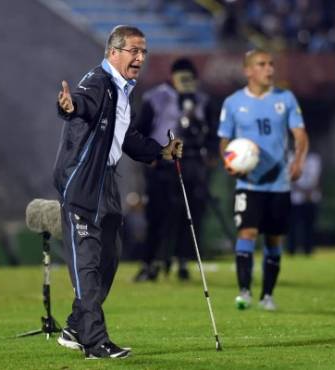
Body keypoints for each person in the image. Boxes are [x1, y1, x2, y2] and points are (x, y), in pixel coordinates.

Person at [53, 25, 183, 359]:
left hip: (107, 182)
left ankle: (74, 326)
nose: (140, 57)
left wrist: (162, 152)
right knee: (87, 264)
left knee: (109, 259)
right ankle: (95, 342)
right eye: (134, 51)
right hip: (82, 181)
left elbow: (127, 138)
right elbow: (81, 103)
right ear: (114, 52)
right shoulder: (98, 82)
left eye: (143, 52)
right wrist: (69, 106)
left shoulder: (124, 89)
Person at [218, 49, 309, 311]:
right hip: (249, 183)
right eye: (262, 64)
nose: (269, 69)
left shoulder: (285, 98)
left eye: (271, 64)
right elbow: (224, 140)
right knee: (247, 231)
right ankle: (244, 291)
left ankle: (267, 296)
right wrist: (229, 163)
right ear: (248, 70)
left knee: (273, 239)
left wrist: (299, 160)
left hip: (279, 183)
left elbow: (300, 135)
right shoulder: (233, 103)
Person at [133, 57, 217, 282]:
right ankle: (150, 263)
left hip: (192, 164)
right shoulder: (155, 97)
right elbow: (140, 130)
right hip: (162, 165)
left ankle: (183, 260)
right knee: (157, 216)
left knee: (190, 216)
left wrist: (210, 154)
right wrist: (148, 156)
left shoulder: (202, 100)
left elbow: (211, 135)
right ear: (172, 77)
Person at [286, 151, 322, 255]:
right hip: (294, 199)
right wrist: (303, 191)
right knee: (293, 226)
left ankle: (308, 250)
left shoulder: (314, 159)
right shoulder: (290, 158)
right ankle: (291, 250)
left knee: (310, 226)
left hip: (311, 199)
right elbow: (290, 178)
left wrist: (310, 192)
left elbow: (318, 178)